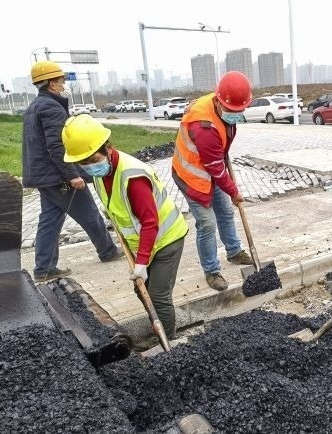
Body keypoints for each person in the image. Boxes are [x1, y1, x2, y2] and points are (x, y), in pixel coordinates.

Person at [62, 115, 189, 340]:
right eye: (83, 163)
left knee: (158, 294)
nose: (90, 167)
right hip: (143, 240)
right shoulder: (103, 173)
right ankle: (157, 328)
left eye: (93, 159)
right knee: (141, 290)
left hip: (167, 238)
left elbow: (150, 223)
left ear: (108, 148)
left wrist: (141, 262)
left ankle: (169, 339)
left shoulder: (133, 177)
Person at [22, 61, 122, 282]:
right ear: (51, 83)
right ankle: (108, 251)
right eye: (60, 80)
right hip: (58, 176)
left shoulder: (34, 107)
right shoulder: (51, 108)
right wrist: (72, 174)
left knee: (50, 219)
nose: (64, 83)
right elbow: (56, 146)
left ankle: (44, 268)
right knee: (89, 213)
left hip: (43, 176)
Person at [171, 71, 254, 292]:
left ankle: (234, 251)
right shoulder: (203, 126)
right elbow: (216, 168)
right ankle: (212, 271)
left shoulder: (220, 101)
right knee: (207, 224)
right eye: (231, 111)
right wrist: (234, 191)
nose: (235, 114)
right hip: (192, 177)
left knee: (225, 212)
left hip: (209, 168)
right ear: (218, 101)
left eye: (239, 111)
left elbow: (218, 157)